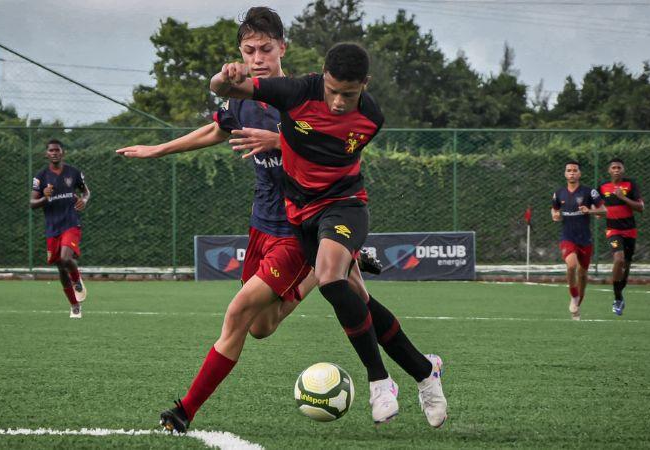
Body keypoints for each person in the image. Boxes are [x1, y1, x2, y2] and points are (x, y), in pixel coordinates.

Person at [117, 8, 376, 433]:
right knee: (261, 326)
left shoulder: (307, 94)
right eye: (249, 50)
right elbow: (215, 131)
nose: (258, 57)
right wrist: (156, 149)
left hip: (299, 224)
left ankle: (183, 411)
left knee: (237, 314)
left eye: (266, 49)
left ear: (282, 49)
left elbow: (341, 147)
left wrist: (283, 138)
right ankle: (324, 267)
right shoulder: (244, 98)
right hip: (261, 225)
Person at [210, 42, 448, 427]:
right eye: (333, 90)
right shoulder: (296, 91)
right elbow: (224, 90)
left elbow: (331, 151)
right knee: (356, 300)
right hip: (300, 213)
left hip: (344, 204)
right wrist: (227, 75)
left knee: (331, 278)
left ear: (365, 86)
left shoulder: (372, 118)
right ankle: (425, 370)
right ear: (322, 75)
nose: (339, 102)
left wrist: (283, 141)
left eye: (349, 94)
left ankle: (380, 382)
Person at [30, 139, 90, 319]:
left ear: (62, 152)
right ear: (46, 154)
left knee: (66, 258)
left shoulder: (74, 172)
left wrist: (84, 200)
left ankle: (77, 278)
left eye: (57, 150)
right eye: (51, 150)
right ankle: (74, 306)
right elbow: (32, 203)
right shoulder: (40, 177)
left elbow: (86, 191)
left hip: (71, 222)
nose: (54, 153)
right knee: (60, 268)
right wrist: (44, 198)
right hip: (52, 228)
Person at [584, 158, 645, 316]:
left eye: (619, 167)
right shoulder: (603, 187)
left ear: (623, 170)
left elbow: (640, 207)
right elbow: (594, 204)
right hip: (613, 230)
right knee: (618, 259)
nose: (616, 170)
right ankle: (617, 298)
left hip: (630, 230)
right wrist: (595, 211)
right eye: (613, 167)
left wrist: (623, 197)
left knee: (626, 266)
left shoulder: (631, 185)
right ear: (609, 171)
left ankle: (619, 295)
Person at [551, 160, 602, 320]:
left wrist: (591, 211)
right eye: (569, 170)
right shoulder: (558, 193)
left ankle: (578, 303)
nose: (572, 173)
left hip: (585, 239)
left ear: (579, 174)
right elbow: (554, 210)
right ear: (565, 174)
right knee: (572, 265)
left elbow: (604, 210)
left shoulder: (589, 192)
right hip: (568, 237)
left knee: (583, 274)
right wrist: (556, 216)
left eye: (575, 170)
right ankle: (573, 296)